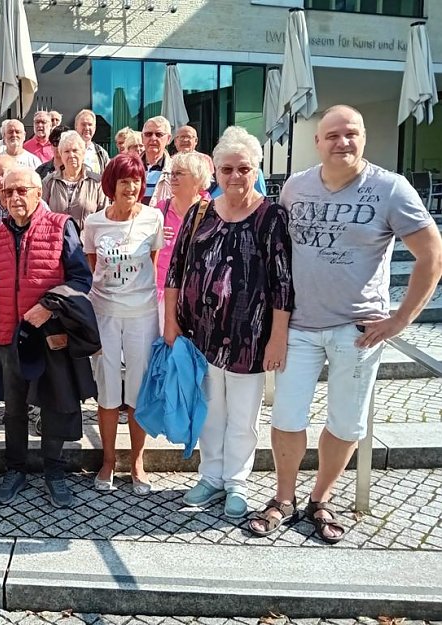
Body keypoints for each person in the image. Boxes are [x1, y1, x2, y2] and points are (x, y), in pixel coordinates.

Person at [249, 105, 442, 543]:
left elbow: (432, 253)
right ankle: (283, 498)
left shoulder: (390, 189)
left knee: (345, 423)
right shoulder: (295, 188)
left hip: (357, 332)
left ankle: (320, 498)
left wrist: (401, 318)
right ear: (317, 142)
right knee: (287, 416)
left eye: (351, 133)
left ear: (364, 138)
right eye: (332, 135)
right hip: (299, 326)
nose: (342, 142)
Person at [164, 126, 294, 519]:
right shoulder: (200, 212)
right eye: (227, 170)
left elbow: (283, 283)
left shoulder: (271, 217)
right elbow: (174, 270)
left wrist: (277, 338)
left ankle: (237, 481)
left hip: (249, 337)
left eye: (243, 168)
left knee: (242, 415)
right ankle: (211, 476)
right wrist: (170, 323)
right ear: (215, 173)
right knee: (210, 411)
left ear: (256, 170)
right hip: (201, 334)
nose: (235, 176)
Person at [0, 166, 94, 509]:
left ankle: (54, 472)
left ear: (38, 192)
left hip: (49, 334)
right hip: (8, 336)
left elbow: (81, 279)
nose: (15, 197)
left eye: (22, 191)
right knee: (13, 408)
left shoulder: (62, 226)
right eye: (8, 193)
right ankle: (15, 469)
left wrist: (49, 305)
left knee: (54, 405)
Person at [82, 154, 164, 495]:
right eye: (124, 181)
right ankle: (108, 460)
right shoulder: (94, 223)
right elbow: (92, 266)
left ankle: (137, 461)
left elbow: (152, 263)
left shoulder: (153, 218)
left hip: (142, 314)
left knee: (137, 391)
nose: (131, 187)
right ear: (111, 185)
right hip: (105, 313)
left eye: (136, 180)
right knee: (108, 390)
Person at [155, 152, 212, 332]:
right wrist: (153, 238)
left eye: (179, 173)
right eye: (172, 173)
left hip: (196, 295)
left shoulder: (212, 212)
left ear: (197, 178)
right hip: (160, 295)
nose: (173, 178)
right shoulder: (160, 209)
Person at [41, 130, 108, 230]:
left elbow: (104, 217)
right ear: (61, 154)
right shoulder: (49, 182)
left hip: (86, 242)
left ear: (83, 153)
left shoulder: (97, 182)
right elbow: (41, 214)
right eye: (67, 151)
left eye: (75, 150)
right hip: (57, 241)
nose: (71, 155)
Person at [141, 116, 172, 206]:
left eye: (159, 134)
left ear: (168, 139)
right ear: (142, 138)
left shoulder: (175, 169)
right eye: (148, 134)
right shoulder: (130, 167)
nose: (153, 138)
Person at [74, 109, 109, 175]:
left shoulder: (101, 153)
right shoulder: (68, 150)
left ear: (94, 128)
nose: (87, 128)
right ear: (76, 127)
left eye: (90, 124)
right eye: (83, 124)